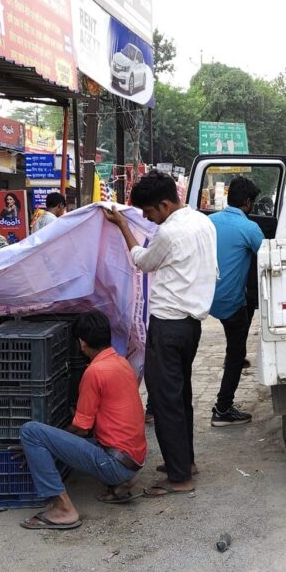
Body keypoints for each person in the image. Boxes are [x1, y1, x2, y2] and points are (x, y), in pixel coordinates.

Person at [103, 170, 217, 498]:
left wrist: (124, 227)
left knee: (165, 400)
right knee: (180, 395)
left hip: (167, 325)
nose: (150, 220)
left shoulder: (168, 233)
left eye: (150, 213)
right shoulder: (203, 222)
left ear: (165, 205)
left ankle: (180, 477)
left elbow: (143, 262)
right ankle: (185, 462)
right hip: (191, 324)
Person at [18, 312, 147, 528]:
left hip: (114, 463)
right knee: (55, 438)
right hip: (134, 459)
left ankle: (63, 508)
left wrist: (46, 442)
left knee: (31, 432)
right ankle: (123, 481)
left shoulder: (95, 371)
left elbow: (81, 428)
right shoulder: (122, 362)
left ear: (82, 343)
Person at [208, 176, 264, 427]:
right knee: (236, 350)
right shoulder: (250, 228)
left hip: (207, 298)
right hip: (231, 302)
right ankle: (223, 408)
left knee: (237, 339)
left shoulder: (209, 221)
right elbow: (265, 259)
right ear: (248, 202)